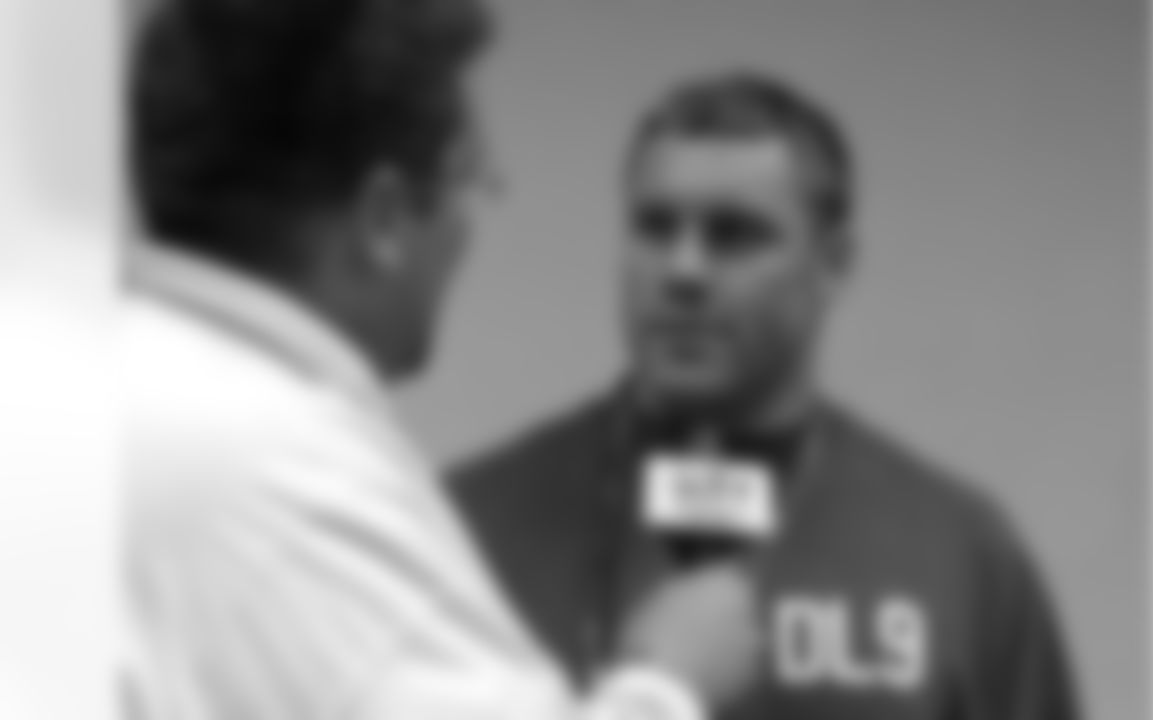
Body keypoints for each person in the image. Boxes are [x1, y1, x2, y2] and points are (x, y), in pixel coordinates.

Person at [122, 2, 762, 719]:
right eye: (471, 181)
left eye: (735, 235)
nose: (685, 273)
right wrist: (669, 682)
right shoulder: (286, 470)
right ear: (385, 221)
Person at [452, 70, 1083, 720]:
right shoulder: (472, 527)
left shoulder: (959, 553)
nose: (683, 270)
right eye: (655, 228)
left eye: (733, 235)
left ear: (833, 264)